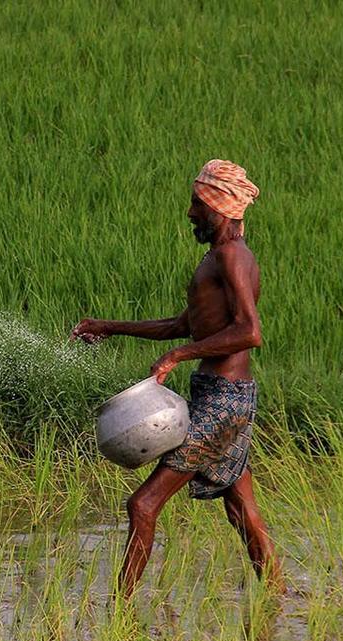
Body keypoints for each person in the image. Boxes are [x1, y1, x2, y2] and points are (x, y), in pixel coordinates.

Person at [71, 159, 285, 599]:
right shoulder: (217, 257)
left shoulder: (232, 257)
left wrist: (177, 356)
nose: (189, 212)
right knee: (240, 506)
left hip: (223, 403)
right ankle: (278, 597)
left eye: (195, 203)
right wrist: (110, 326)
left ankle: (120, 615)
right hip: (222, 396)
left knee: (143, 504)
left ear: (217, 206)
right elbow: (185, 324)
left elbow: (250, 331)